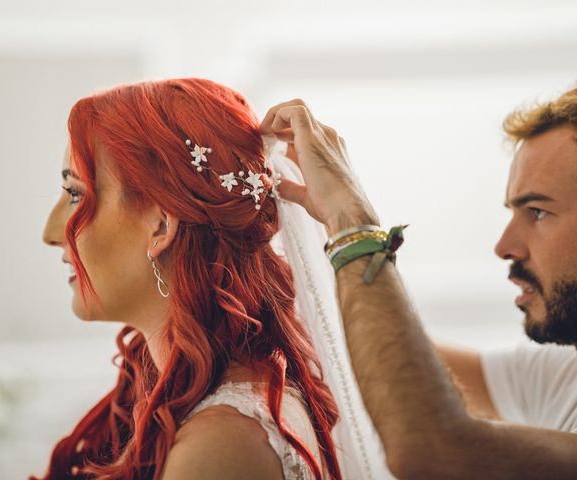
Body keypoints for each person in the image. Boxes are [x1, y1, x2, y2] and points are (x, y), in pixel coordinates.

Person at [35, 78, 347, 480]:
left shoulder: (222, 446)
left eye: (77, 195)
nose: (50, 231)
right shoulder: (190, 399)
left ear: (161, 226)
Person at [260, 88, 577, 478]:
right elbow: (397, 366)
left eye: (538, 212)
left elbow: (433, 447)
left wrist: (351, 223)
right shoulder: (565, 373)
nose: (504, 247)